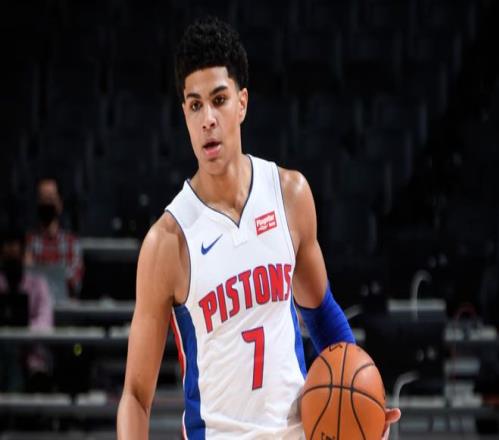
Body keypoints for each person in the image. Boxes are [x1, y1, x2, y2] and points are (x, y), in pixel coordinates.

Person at [117, 16, 400, 439]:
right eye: (195, 105)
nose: (207, 119)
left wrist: (365, 399)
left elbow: (322, 315)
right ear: (185, 115)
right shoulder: (167, 242)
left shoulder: (290, 195)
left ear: (243, 103)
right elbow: (136, 396)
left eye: (219, 100)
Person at [0, 229, 53, 392]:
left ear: (24, 256)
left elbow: (45, 322)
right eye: (8, 259)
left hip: (33, 355)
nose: (12, 263)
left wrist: (22, 331)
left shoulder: (39, 284)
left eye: (15, 258)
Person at [26, 177, 84, 300]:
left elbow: (75, 283)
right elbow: (25, 282)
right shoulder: (28, 242)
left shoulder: (72, 243)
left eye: (50, 199)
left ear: (59, 204)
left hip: (63, 309)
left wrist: (39, 269)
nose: (46, 204)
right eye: (43, 199)